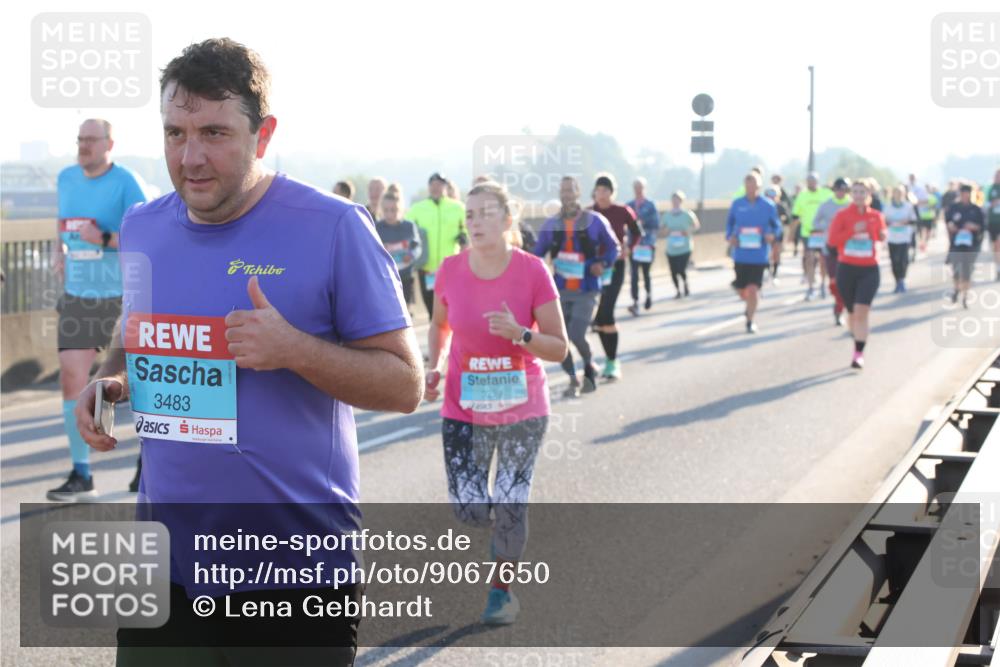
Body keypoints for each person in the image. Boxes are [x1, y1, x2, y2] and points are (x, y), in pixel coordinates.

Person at [74, 38, 423, 666]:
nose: (191, 157)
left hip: (294, 576)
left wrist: (294, 349)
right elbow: (136, 329)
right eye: (175, 133)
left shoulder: (335, 227)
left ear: (262, 135)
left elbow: (405, 386)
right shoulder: (144, 226)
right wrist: (111, 383)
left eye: (214, 132)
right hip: (167, 567)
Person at [424, 181, 568, 625]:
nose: (475, 221)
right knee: (469, 507)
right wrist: (435, 364)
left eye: (486, 213)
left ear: (508, 221)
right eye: (469, 215)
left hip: (522, 405)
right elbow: (440, 326)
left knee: (509, 500)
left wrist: (521, 334)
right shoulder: (449, 269)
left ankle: (501, 591)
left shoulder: (532, 272)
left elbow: (559, 347)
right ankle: (506, 525)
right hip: (463, 406)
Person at [48, 118, 149, 502]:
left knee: (136, 383)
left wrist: (104, 238)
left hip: (125, 295)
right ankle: (82, 473)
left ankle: (147, 459)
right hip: (79, 294)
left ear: (110, 143)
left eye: (91, 139)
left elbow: (147, 235)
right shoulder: (66, 178)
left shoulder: (126, 182)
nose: (83, 145)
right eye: (80, 139)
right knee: (72, 378)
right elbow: (64, 226)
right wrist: (60, 249)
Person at [533, 176, 619, 397]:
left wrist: (602, 263)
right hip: (559, 291)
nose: (567, 195)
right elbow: (536, 256)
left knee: (576, 334)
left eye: (570, 190)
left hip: (586, 289)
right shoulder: (552, 224)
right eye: (563, 191)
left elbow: (613, 247)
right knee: (559, 340)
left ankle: (589, 365)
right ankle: (573, 379)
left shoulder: (595, 220)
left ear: (579, 192)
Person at [828, 180, 886, 369]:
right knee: (852, 312)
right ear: (851, 194)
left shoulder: (876, 216)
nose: (859, 195)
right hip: (847, 268)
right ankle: (857, 336)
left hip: (869, 269)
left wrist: (880, 235)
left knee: (862, 311)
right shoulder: (842, 215)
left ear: (869, 194)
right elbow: (832, 241)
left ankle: (858, 353)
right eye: (856, 191)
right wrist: (853, 231)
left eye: (863, 191)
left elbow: (880, 237)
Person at [589, 173, 641, 380]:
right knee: (600, 318)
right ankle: (609, 361)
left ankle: (612, 362)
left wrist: (629, 247)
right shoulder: (589, 213)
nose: (600, 195)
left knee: (606, 312)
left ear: (612, 192)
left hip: (616, 265)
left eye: (605, 190)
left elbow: (638, 232)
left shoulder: (622, 211)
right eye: (598, 190)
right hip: (593, 269)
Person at [406, 172, 467, 319]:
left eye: (439, 185)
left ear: (445, 187)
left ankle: (451, 339)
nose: (435, 188)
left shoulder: (458, 207)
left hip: (451, 268)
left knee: (451, 309)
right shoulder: (417, 208)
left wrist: (464, 235)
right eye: (432, 185)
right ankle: (436, 340)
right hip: (427, 268)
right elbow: (406, 229)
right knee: (432, 312)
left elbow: (467, 228)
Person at [726, 173, 780, 333]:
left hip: (759, 255)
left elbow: (777, 226)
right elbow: (729, 225)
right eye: (748, 184)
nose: (751, 187)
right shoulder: (737, 204)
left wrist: (772, 235)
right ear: (744, 185)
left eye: (754, 184)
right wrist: (730, 237)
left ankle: (750, 321)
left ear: (759, 186)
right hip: (741, 254)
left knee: (753, 289)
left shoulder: (768, 205)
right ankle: (748, 302)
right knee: (742, 288)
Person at [812, 178, 853, 324]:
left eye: (844, 189)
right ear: (834, 190)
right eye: (838, 189)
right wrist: (828, 229)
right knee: (835, 282)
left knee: (847, 282)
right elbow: (815, 222)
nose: (841, 192)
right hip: (831, 247)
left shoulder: (852, 205)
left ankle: (842, 308)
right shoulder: (826, 205)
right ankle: (838, 307)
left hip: (850, 248)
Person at [376, 187, 422, 315]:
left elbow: (417, 247)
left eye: (394, 210)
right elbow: (370, 251)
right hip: (385, 278)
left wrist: (411, 255)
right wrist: (380, 251)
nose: (390, 214)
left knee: (404, 314)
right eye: (386, 210)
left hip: (405, 276)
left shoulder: (409, 227)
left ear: (400, 209)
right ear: (381, 210)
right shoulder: (377, 227)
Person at [792, 172, 833, 299]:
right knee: (809, 259)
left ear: (817, 182)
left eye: (813, 181)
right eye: (809, 181)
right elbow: (795, 215)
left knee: (823, 260)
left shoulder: (826, 194)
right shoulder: (802, 196)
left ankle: (822, 284)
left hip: (823, 232)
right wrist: (791, 234)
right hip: (808, 233)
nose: (811, 183)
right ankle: (810, 287)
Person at [945, 183, 985, 308]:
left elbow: (983, 227)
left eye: (967, 193)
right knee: (956, 270)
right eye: (962, 193)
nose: (964, 196)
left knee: (967, 271)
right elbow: (948, 221)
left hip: (971, 244)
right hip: (956, 244)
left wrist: (973, 227)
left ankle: (965, 297)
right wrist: (951, 226)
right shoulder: (954, 208)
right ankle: (957, 289)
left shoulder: (976, 209)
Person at [626, 177, 660, 314]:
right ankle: (635, 301)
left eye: (640, 187)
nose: (638, 190)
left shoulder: (651, 205)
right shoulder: (629, 206)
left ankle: (648, 295)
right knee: (634, 274)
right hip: (634, 245)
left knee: (646, 273)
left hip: (647, 245)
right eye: (636, 187)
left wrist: (641, 222)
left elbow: (656, 224)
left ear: (644, 188)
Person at [662, 191, 700, 298]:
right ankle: (678, 290)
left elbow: (696, 226)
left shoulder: (687, 214)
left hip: (685, 247)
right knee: (673, 270)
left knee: (681, 269)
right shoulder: (667, 215)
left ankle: (685, 284)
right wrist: (667, 231)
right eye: (673, 199)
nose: (675, 202)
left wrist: (686, 232)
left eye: (677, 199)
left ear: (681, 201)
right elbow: (662, 229)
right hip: (671, 248)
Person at [884, 184, 918, 292]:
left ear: (904, 194)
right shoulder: (888, 207)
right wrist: (889, 222)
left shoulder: (908, 206)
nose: (898, 195)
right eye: (896, 192)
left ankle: (902, 280)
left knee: (903, 260)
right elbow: (883, 221)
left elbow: (914, 220)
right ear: (892, 194)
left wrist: (905, 221)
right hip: (892, 237)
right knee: (894, 260)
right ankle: (897, 280)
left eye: (900, 193)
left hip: (904, 237)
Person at [763, 186, 788, 285]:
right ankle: (767, 270)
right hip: (766, 232)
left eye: (773, 195)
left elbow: (787, 218)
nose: (771, 197)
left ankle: (775, 273)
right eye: (768, 195)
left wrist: (782, 218)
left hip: (777, 232)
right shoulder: (762, 206)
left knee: (776, 252)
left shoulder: (780, 206)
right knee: (767, 252)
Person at [985, 169, 1000, 275]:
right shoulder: (990, 188)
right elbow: (984, 204)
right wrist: (992, 204)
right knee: (995, 246)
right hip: (993, 221)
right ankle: (998, 267)